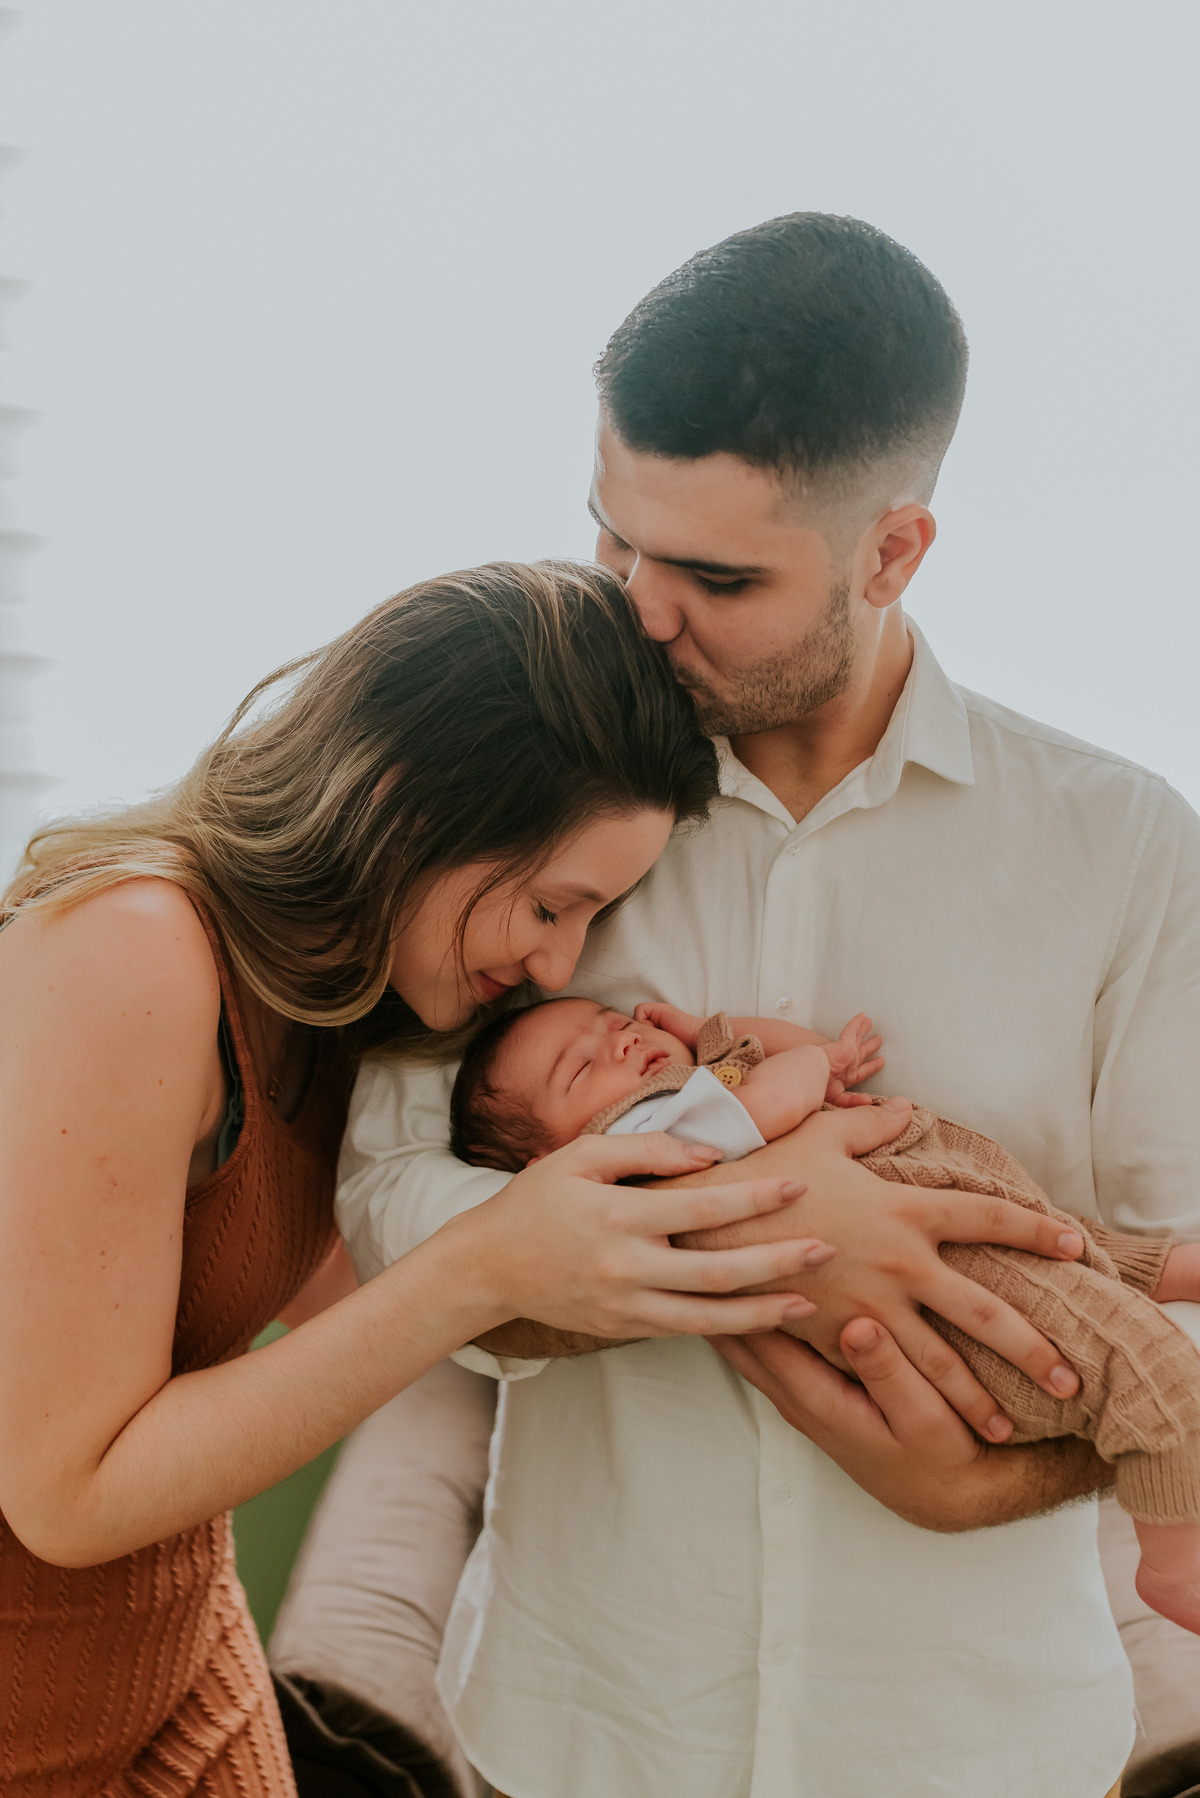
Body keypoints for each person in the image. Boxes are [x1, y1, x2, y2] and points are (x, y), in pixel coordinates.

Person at [336, 215, 1200, 1798]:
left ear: (894, 550)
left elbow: (1182, 1284)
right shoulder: (508, 805)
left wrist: (980, 1487)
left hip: (979, 1748)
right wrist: (740, 1209)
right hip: (574, 1730)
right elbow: (389, 1194)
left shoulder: (1127, 846)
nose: (638, 610)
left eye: (716, 575)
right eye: (613, 541)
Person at [0, 560, 849, 1796]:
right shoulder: (131, 952)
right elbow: (67, 1495)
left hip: (178, 1670)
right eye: (554, 904)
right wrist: (488, 1261)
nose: (562, 963)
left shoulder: (352, 1015)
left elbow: (362, 1315)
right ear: (407, 803)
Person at [453, 995, 1200, 1631]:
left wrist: (720, 1035)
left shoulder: (695, 1095)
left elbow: (796, 1072)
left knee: (1064, 1249)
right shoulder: (635, 1145)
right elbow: (780, 1097)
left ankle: (1155, 1268)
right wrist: (801, 1063)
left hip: (953, 1204)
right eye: (581, 1067)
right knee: (1147, 1367)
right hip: (948, 1280)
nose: (617, 1040)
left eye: (613, 1018)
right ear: (543, 1161)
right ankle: (1171, 1559)